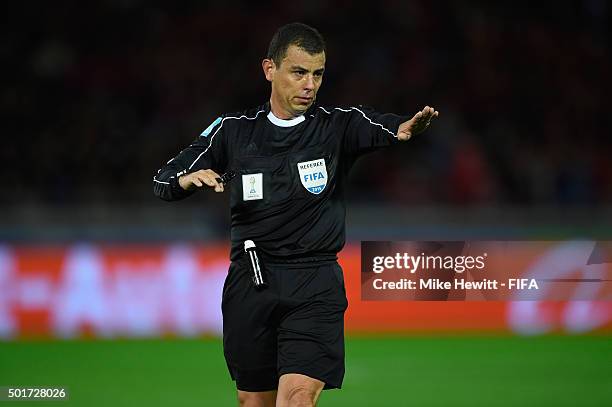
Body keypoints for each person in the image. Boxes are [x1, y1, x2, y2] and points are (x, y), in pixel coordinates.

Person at [153, 22, 438, 407]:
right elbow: (164, 179)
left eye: (318, 74)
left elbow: (380, 125)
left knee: (298, 398)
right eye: (299, 72)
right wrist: (187, 180)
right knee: (254, 402)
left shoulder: (337, 126)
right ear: (270, 69)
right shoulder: (233, 131)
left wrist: (402, 128)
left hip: (315, 282)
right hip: (251, 283)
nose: (310, 84)